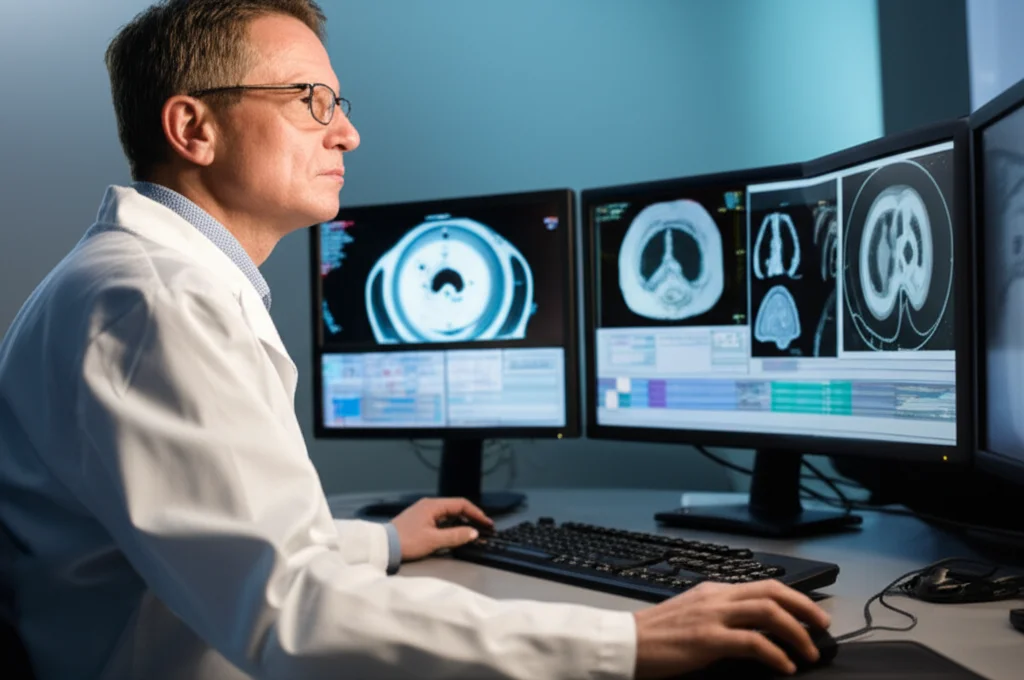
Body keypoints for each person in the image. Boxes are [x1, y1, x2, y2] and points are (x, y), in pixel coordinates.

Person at [0, 1, 831, 678]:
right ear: (194, 128)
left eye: (339, 106)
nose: (346, 134)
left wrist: (384, 539)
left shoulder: (142, 282)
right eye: (308, 102)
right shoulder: (156, 299)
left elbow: (218, 537)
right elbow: (288, 612)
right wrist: (629, 642)